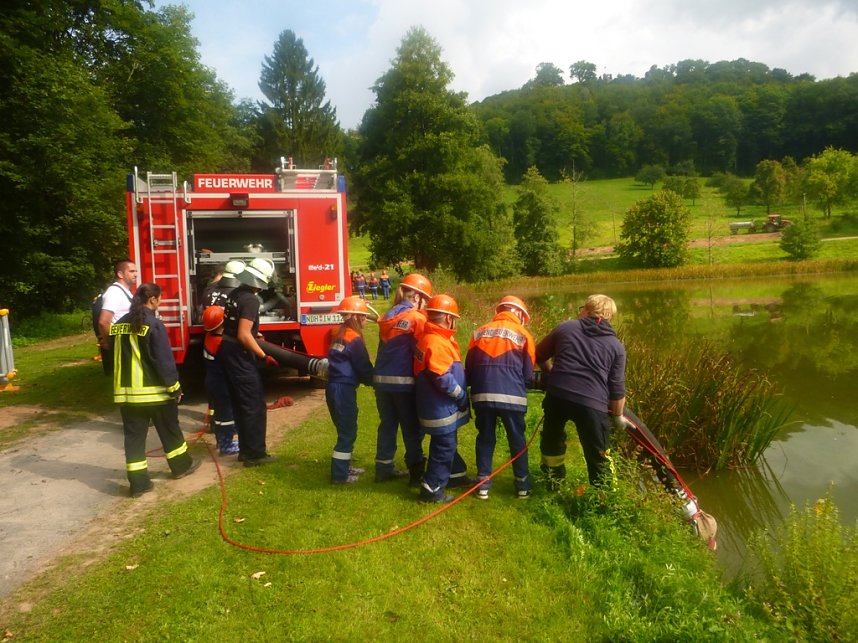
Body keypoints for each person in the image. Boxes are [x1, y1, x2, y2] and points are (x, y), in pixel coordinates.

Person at [112, 282, 201, 497]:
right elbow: (163, 360)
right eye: (159, 299)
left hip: (126, 395)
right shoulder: (153, 324)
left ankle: (138, 484)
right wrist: (175, 388)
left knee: (133, 439)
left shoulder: (119, 325)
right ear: (152, 299)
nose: (160, 303)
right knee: (170, 431)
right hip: (155, 393)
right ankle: (181, 466)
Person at [535, 294, 626, 488]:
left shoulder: (566, 327)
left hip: (558, 395)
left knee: (552, 439)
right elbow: (617, 389)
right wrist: (617, 416)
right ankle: (605, 496)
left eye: (581, 308)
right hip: (592, 404)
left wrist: (551, 374)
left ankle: (553, 483)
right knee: (599, 453)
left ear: (587, 310)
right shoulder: (616, 347)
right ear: (610, 318)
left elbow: (539, 354)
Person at [465, 296, 536, 500]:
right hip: (512, 396)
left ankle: (482, 485)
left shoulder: (479, 332)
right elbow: (528, 374)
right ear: (520, 314)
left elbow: (469, 367)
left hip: (482, 395)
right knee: (517, 440)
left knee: (485, 438)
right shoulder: (524, 334)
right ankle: (523, 486)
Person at [372, 273, 432, 484]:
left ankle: (383, 468)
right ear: (417, 297)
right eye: (425, 299)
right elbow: (424, 350)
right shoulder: (417, 318)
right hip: (404, 384)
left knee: (387, 425)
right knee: (411, 428)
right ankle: (416, 474)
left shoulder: (387, 316)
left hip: (381, 382)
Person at [219, 257, 279, 467]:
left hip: (227, 351)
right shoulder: (251, 300)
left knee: (240, 403)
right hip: (239, 355)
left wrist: (255, 333)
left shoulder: (235, 293)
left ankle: (246, 450)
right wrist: (264, 356)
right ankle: (255, 454)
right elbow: (244, 335)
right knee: (253, 405)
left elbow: (237, 326)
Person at [414, 294, 472, 503]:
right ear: (448, 319)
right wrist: (462, 395)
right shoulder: (436, 341)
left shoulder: (430, 337)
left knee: (447, 442)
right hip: (440, 407)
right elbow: (442, 377)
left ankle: (455, 474)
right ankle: (431, 489)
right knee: (444, 446)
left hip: (435, 405)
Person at [326, 296, 374, 484]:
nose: (364, 321)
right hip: (343, 388)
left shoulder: (340, 332)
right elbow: (362, 365)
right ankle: (340, 476)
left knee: (344, 429)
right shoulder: (353, 338)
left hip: (335, 386)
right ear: (355, 317)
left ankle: (345, 467)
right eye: (362, 317)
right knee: (347, 432)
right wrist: (375, 381)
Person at [202, 261, 245, 455]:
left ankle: (221, 438)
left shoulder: (210, 338)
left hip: (212, 381)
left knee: (219, 411)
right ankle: (226, 444)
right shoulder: (222, 344)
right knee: (226, 412)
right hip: (223, 383)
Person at [97, 259, 138, 374]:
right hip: (120, 345)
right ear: (120, 274)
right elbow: (103, 322)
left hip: (126, 344)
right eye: (131, 271)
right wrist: (109, 342)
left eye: (136, 271)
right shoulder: (114, 293)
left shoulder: (125, 292)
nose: (136, 274)